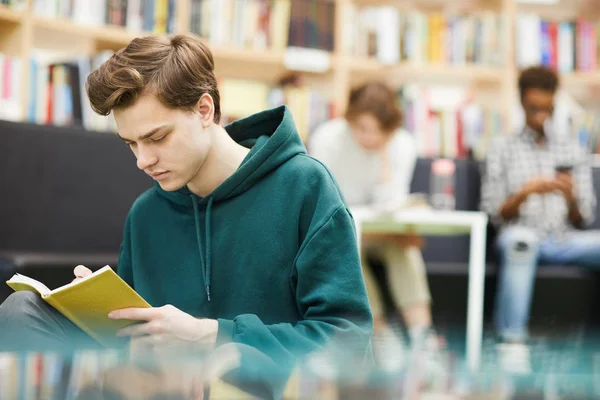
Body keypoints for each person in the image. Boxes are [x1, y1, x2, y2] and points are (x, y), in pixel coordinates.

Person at [0, 33, 373, 397]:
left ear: (204, 109)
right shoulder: (146, 214)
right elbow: (135, 356)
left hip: (256, 389)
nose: (142, 161)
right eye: (131, 143)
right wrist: (93, 310)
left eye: (157, 138)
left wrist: (212, 335)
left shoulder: (304, 187)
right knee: (23, 309)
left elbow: (349, 340)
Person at [308, 82, 441, 371]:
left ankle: (422, 337)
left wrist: (383, 158)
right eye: (362, 128)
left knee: (404, 252)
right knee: (350, 252)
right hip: (337, 233)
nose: (369, 138)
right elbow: (322, 207)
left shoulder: (401, 144)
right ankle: (380, 333)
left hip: (380, 233)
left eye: (378, 130)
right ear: (349, 119)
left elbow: (390, 204)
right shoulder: (327, 139)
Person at [481, 66, 599, 374]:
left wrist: (569, 196)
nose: (540, 117)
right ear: (521, 103)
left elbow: (584, 217)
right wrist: (525, 193)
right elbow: (494, 214)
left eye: (547, 109)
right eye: (534, 109)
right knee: (521, 242)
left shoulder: (572, 148)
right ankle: (512, 344)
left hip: (564, 239)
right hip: (519, 234)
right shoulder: (501, 148)